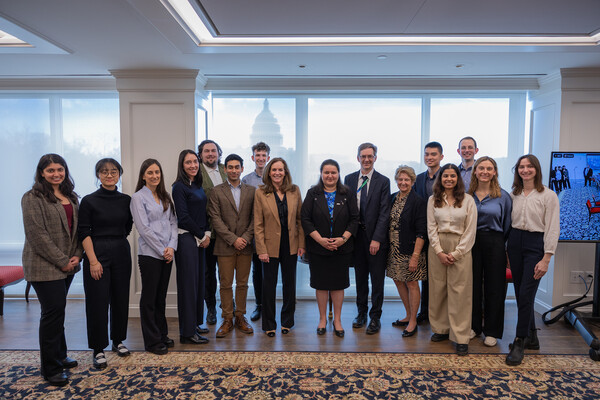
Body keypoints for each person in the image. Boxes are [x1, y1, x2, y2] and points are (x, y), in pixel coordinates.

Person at [21, 154, 82, 387]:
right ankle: (50, 368)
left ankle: (60, 354)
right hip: (44, 265)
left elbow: (76, 231)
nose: (56, 173)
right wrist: (61, 260)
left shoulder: (71, 196)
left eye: (60, 169)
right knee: (52, 313)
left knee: (59, 311)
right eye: (50, 170)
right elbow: (37, 235)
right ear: (41, 173)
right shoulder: (32, 197)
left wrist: (77, 254)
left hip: (68, 263)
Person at [78, 158, 133, 370]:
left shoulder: (126, 200)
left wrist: (116, 241)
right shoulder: (89, 201)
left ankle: (118, 341)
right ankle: (98, 348)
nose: (109, 175)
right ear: (98, 175)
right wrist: (92, 260)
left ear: (120, 173)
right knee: (97, 301)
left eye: (113, 171)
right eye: (104, 171)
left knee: (120, 298)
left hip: (121, 250)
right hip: (96, 251)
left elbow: (128, 226)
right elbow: (84, 231)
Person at [505, 154, 559, 366]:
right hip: (515, 243)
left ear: (536, 169)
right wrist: (508, 252)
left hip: (536, 244)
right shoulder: (513, 195)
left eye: (529, 167)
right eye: (521, 167)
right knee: (521, 293)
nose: (525, 170)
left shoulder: (548, 195)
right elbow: (509, 225)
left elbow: (553, 228)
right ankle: (533, 338)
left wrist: (546, 258)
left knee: (527, 292)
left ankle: (519, 341)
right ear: (517, 170)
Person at [302, 159, 359, 337]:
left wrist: (343, 239)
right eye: (326, 172)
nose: (330, 176)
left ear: (338, 174)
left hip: (341, 248)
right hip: (318, 248)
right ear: (321, 174)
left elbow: (354, 219)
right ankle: (322, 319)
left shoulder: (347, 193)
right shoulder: (313, 194)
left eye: (333, 172)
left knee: (337, 285)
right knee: (320, 285)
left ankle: (338, 320)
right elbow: (305, 219)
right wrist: (320, 240)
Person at [427, 163, 477, 356]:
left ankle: (460, 336)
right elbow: (431, 227)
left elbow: (470, 230)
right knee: (438, 288)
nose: (448, 179)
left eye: (452, 176)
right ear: (440, 179)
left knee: (460, 291)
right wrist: (439, 251)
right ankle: (440, 329)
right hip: (437, 246)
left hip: (461, 246)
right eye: (445, 176)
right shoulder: (433, 200)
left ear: (458, 179)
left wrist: (457, 253)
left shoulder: (468, 200)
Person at [130, 159, 178, 355]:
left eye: (157, 172)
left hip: (167, 254)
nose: (154, 176)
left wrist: (171, 248)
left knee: (160, 298)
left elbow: (174, 223)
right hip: (150, 255)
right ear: (143, 175)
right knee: (149, 298)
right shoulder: (138, 198)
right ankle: (152, 341)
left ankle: (161, 335)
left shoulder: (164, 195)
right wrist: (161, 249)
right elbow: (143, 229)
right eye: (150, 172)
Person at [254, 157, 305, 336]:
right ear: (269, 172)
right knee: (269, 286)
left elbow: (300, 220)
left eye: (280, 170)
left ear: (286, 172)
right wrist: (261, 250)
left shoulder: (295, 190)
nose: (277, 173)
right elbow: (258, 224)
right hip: (269, 246)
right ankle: (269, 324)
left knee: (289, 285)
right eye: (274, 170)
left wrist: (301, 244)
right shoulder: (260, 193)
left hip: (290, 244)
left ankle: (287, 322)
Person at [344, 143, 390, 335]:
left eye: (370, 156)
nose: (366, 159)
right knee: (360, 278)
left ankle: (375, 317)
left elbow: (384, 212)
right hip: (356, 238)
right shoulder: (349, 179)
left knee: (377, 279)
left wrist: (377, 238)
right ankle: (361, 313)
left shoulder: (383, 181)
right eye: (363, 156)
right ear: (358, 158)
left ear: (375, 158)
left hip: (375, 239)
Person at [207, 154, 255, 338]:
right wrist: (233, 239)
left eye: (237, 167)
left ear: (242, 168)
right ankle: (227, 318)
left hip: (246, 245)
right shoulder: (216, 191)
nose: (234, 170)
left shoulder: (252, 191)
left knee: (242, 284)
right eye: (230, 167)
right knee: (225, 284)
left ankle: (240, 317)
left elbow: (255, 218)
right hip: (225, 245)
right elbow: (215, 219)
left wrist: (244, 238)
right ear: (225, 169)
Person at [467, 157, 512, 347]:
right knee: (472, 286)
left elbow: (508, 225)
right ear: (475, 171)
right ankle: (474, 327)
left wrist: (506, 250)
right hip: (471, 242)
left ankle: (492, 331)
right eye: (481, 168)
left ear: (494, 172)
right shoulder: (467, 195)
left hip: (495, 242)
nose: (485, 171)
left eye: (489, 168)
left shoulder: (503, 196)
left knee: (495, 288)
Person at [172, 150, 211, 345]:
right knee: (188, 286)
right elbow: (183, 217)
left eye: (195, 161)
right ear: (182, 165)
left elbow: (202, 212)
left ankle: (195, 323)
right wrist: (202, 235)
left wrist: (207, 234)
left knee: (198, 284)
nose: (193, 165)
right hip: (187, 239)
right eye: (188, 162)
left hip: (199, 238)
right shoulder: (178, 187)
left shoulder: (196, 185)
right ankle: (186, 333)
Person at [387, 166, 427, 338]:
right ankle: (408, 314)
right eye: (400, 179)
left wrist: (415, 256)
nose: (403, 183)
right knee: (398, 279)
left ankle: (413, 321)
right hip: (393, 248)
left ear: (412, 181)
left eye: (407, 180)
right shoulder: (392, 198)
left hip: (411, 249)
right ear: (396, 180)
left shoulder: (418, 201)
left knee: (411, 283)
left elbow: (421, 231)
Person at [414, 141, 444, 324]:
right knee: (424, 275)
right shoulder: (418, 179)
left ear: (441, 156)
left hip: (442, 233)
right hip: (422, 233)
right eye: (426, 154)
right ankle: (424, 312)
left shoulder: (447, 177)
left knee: (439, 277)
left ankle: (440, 314)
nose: (429, 157)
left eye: (433, 154)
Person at [198, 139, 228, 325]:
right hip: (207, 232)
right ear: (201, 154)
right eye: (206, 151)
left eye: (214, 150)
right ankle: (210, 307)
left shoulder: (226, 170)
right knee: (208, 272)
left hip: (226, 231)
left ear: (219, 153)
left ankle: (227, 304)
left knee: (225, 271)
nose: (210, 154)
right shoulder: (197, 172)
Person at [242, 141, 271, 322]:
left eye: (263, 156)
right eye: (257, 156)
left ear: (268, 157)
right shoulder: (247, 180)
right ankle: (259, 305)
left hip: (273, 233)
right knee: (257, 272)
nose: (260, 159)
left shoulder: (276, 177)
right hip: (255, 233)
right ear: (253, 158)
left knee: (271, 272)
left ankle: (270, 306)